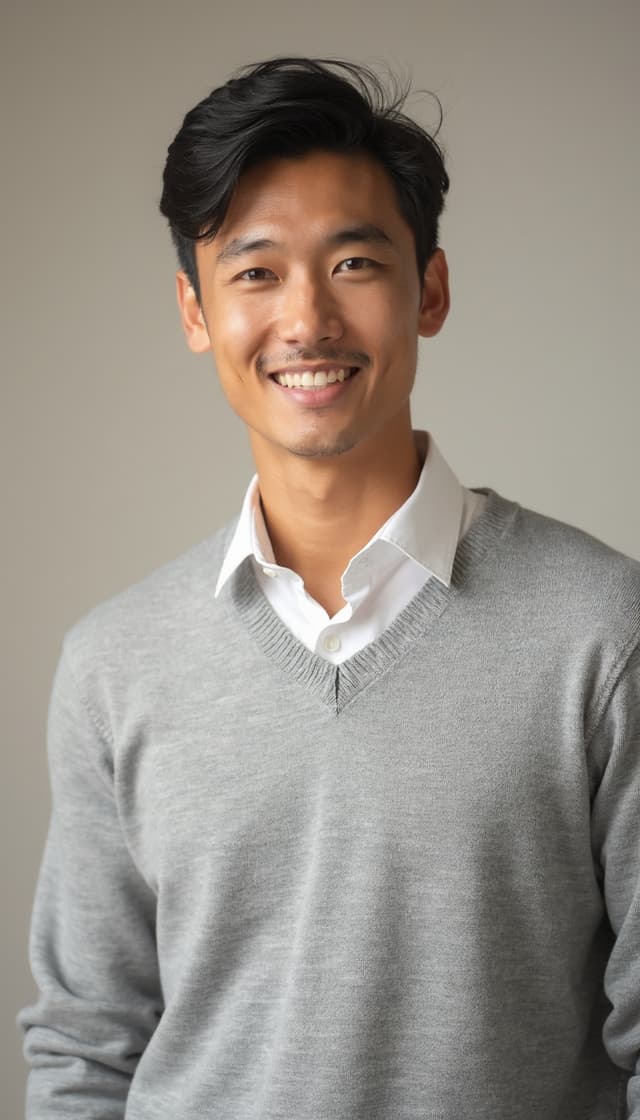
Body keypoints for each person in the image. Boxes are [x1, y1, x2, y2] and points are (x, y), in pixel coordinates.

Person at [19, 57, 640, 1120]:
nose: (306, 320)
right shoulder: (114, 663)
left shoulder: (600, 631)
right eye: (254, 272)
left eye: (354, 263)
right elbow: (84, 1046)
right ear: (195, 310)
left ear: (429, 289)